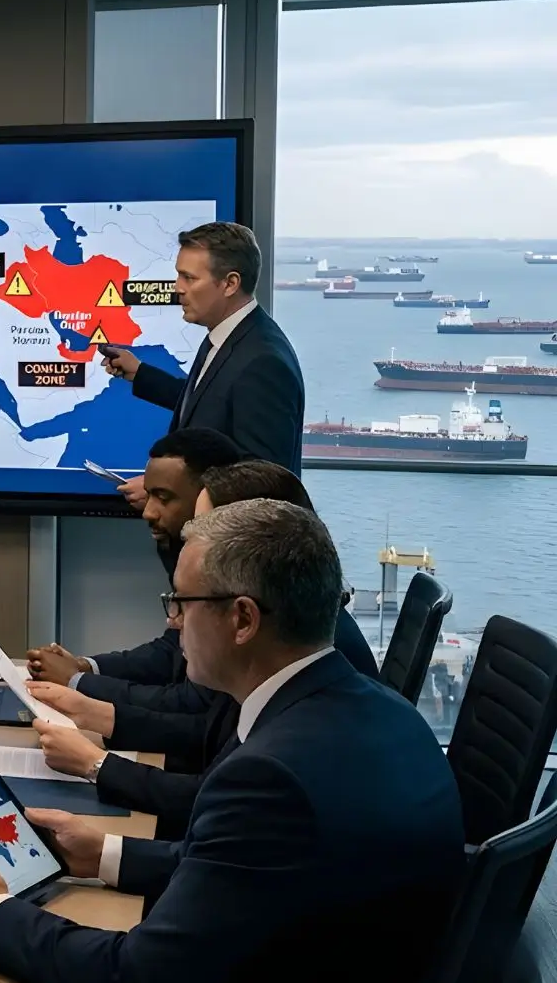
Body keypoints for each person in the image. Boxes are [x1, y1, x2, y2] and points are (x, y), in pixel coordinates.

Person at [0, 499, 464, 983]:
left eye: (182, 602)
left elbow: (139, 982)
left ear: (242, 619)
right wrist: (101, 855)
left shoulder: (270, 777)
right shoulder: (379, 710)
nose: (172, 619)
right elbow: (245, 867)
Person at [27, 460, 377, 836]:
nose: (172, 619)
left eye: (209, 529)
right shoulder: (294, 653)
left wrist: (96, 762)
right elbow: (206, 731)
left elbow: (211, 797)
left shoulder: (288, 724)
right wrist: (92, 707)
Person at [100, 221, 304, 510]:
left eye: (189, 278)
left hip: (230, 550)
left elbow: (262, 482)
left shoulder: (263, 361)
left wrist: (162, 492)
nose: (177, 288)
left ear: (230, 284)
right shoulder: (228, 336)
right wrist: (140, 374)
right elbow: (209, 403)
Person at [26, 427, 244, 690]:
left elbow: (194, 709)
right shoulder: (177, 547)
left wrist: (76, 684)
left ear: (209, 498)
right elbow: (171, 652)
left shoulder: (238, 573)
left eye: (163, 498)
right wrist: (84, 667)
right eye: (148, 495)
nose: (148, 513)